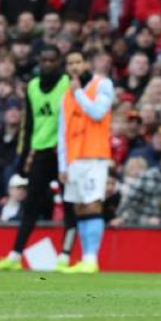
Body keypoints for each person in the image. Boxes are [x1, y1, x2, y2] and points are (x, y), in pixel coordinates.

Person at [0, 45, 77, 271]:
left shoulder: (68, 83)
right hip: (40, 151)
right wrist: (24, 156)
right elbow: (29, 123)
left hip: (63, 152)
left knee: (69, 204)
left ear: (59, 62)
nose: (47, 64)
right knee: (30, 205)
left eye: (52, 60)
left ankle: (65, 256)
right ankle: (15, 256)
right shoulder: (33, 86)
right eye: (44, 60)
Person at [57, 49, 115, 274]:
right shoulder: (65, 96)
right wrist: (63, 165)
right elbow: (63, 132)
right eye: (70, 63)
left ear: (86, 64)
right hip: (74, 159)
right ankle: (85, 259)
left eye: (78, 62)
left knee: (92, 203)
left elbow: (98, 112)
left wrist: (79, 93)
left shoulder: (102, 84)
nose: (74, 67)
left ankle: (91, 258)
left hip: (94, 156)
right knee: (80, 207)